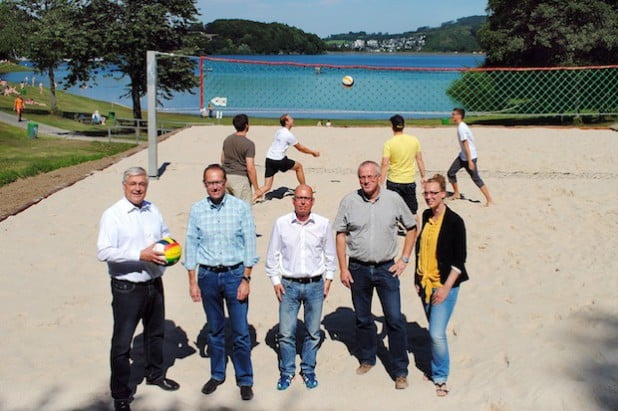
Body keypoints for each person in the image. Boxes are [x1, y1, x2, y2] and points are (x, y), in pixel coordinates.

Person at [97, 167, 180, 411]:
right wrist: (139, 254)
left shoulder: (153, 209)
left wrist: (169, 251)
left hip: (154, 283)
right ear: (124, 186)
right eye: (133, 183)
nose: (138, 188)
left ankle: (155, 375)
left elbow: (166, 236)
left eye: (142, 183)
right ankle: (121, 394)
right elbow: (103, 251)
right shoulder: (113, 215)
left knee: (156, 334)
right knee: (122, 344)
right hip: (127, 287)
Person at [333, 160, 417, 390]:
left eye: (370, 176)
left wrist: (404, 259)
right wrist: (342, 268)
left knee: (394, 319)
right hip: (357, 268)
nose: (366, 181)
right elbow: (340, 234)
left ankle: (400, 370)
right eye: (362, 177)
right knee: (362, 318)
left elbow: (411, 227)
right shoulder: (349, 201)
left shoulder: (393, 199)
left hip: (386, 268)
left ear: (379, 177)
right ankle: (367, 358)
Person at [184, 164, 258, 401]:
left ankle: (245, 379)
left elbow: (250, 244)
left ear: (225, 182)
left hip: (235, 274)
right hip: (207, 276)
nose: (214, 186)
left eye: (218, 181)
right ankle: (217, 374)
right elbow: (191, 244)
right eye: (210, 182)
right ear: (205, 185)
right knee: (214, 330)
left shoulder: (240, 208)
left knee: (240, 331)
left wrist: (246, 278)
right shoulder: (197, 210)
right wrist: (192, 281)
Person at [264, 184, 337, 391]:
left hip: (315, 284)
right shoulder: (282, 223)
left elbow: (330, 254)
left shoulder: (323, 224)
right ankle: (287, 371)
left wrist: (329, 279)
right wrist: (275, 281)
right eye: (299, 198)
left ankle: (308, 369)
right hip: (289, 285)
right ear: (293, 201)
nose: (303, 202)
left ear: (313, 201)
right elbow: (273, 254)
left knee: (313, 332)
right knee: (286, 332)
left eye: (307, 198)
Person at [415, 174, 469, 397]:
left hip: (445, 285)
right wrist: (416, 280)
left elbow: (460, 260)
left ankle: (441, 377)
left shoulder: (455, 222)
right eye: (426, 193)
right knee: (435, 331)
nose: (429, 197)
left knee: (436, 333)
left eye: (433, 193)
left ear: (443, 194)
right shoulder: (426, 216)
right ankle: (436, 367)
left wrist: (446, 288)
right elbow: (421, 249)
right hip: (425, 284)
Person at [255, 114, 320, 201]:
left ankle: (252, 198)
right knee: (299, 167)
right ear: (286, 122)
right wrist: (312, 152)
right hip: (279, 160)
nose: (293, 119)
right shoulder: (288, 135)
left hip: (269, 159)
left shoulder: (278, 131)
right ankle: (305, 189)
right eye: (290, 119)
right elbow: (301, 148)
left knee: (267, 186)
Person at [380, 114, 426, 216]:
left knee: (393, 210)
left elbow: (385, 164)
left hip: (394, 181)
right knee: (412, 212)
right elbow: (419, 160)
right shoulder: (414, 140)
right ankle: (415, 231)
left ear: (392, 126)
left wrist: (381, 181)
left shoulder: (389, 143)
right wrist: (423, 176)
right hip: (409, 181)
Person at [447, 107, 493, 206]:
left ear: (459, 116)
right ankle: (456, 194)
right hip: (462, 156)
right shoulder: (461, 126)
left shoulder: (461, 128)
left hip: (469, 157)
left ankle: (489, 199)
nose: (452, 116)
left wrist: (470, 161)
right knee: (451, 173)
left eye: (454, 114)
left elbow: (466, 145)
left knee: (476, 178)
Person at [221, 114, 262, 205]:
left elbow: (222, 159)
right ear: (247, 125)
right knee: (244, 210)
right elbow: (250, 168)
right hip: (240, 179)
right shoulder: (249, 144)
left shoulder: (227, 139)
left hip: (225, 177)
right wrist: (257, 188)